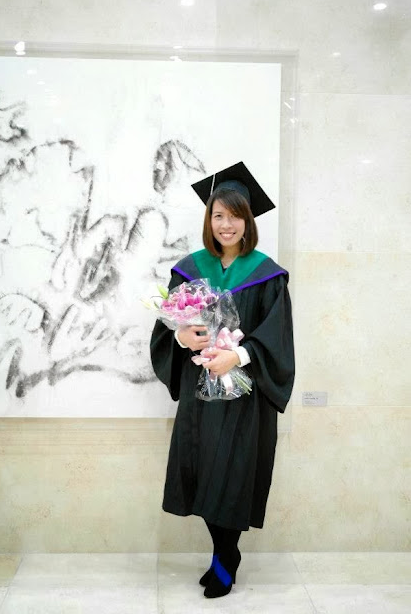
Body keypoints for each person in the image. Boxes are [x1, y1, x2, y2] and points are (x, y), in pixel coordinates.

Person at [150, 162, 295, 598]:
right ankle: (222, 555)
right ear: (208, 220)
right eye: (218, 215)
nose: (226, 224)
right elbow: (165, 331)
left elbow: (278, 337)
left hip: (244, 399)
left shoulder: (267, 274)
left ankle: (225, 558)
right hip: (200, 399)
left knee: (232, 477)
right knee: (204, 473)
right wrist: (181, 336)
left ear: (248, 221)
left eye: (235, 216)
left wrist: (238, 355)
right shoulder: (189, 269)